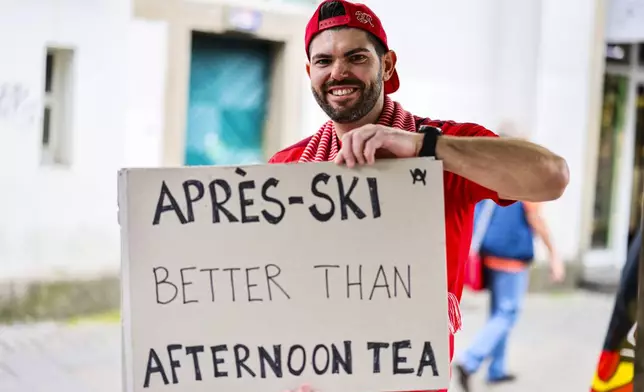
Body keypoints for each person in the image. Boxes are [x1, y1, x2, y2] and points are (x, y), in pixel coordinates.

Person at [269, 1, 569, 391]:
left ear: (388, 65)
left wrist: (422, 146)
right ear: (310, 73)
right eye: (323, 61)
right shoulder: (286, 166)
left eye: (356, 57)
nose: (338, 72)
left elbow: (551, 178)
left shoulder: (443, 145)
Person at [454, 198, 565, 392]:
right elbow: (535, 217)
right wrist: (553, 254)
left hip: (490, 253)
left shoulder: (502, 174)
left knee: (497, 312)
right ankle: (469, 360)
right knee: (507, 313)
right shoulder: (527, 183)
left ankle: (496, 369)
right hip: (511, 258)